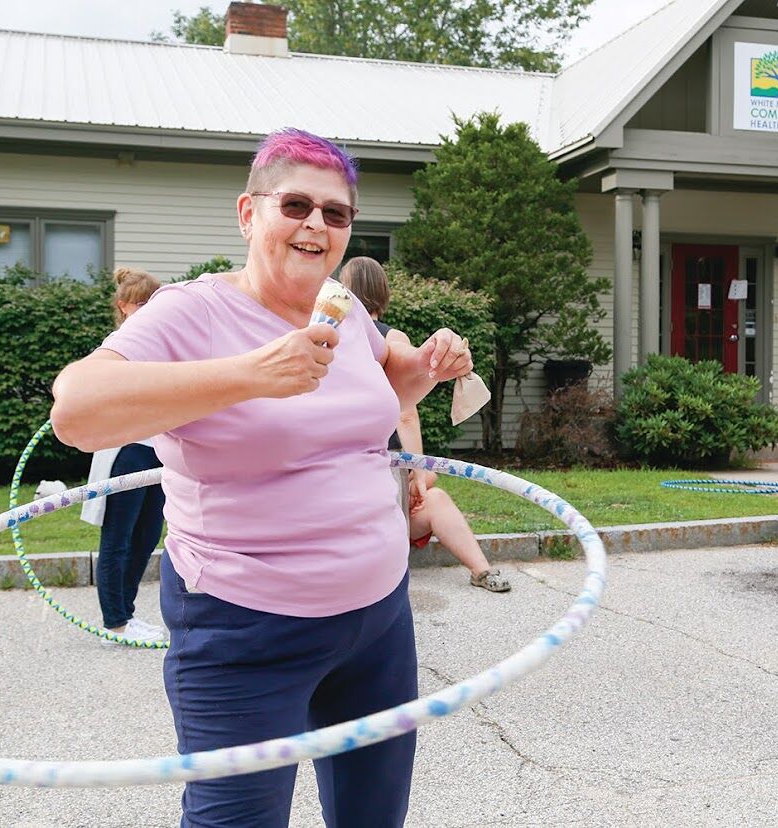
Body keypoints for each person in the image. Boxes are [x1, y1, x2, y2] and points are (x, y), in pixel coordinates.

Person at [50, 128, 474, 828]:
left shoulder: (342, 304)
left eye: (335, 214)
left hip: (378, 619)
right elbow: (77, 412)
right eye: (297, 205)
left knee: (373, 819)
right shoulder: (189, 310)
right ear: (250, 213)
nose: (316, 225)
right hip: (245, 628)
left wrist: (426, 368)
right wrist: (252, 375)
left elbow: (379, 400)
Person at [339, 256, 510, 592]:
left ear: (345, 291)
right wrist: (416, 470)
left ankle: (479, 571)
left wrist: (415, 473)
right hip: (373, 468)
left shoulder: (333, 334)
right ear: (383, 292)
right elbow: (406, 412)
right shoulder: (390, 337)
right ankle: (483, 570)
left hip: (355, 467)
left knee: (433, 497)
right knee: (432, 496)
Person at [78, 266, 166, 645]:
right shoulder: (117, 345)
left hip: (158, 450)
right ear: (123, 306)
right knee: (119, 537)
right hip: (126, 451)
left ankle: (125, 614)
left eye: (154, 302)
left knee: (147, 535)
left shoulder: (164, 343)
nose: (148, 309)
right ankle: (114, 623)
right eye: (141, 303)